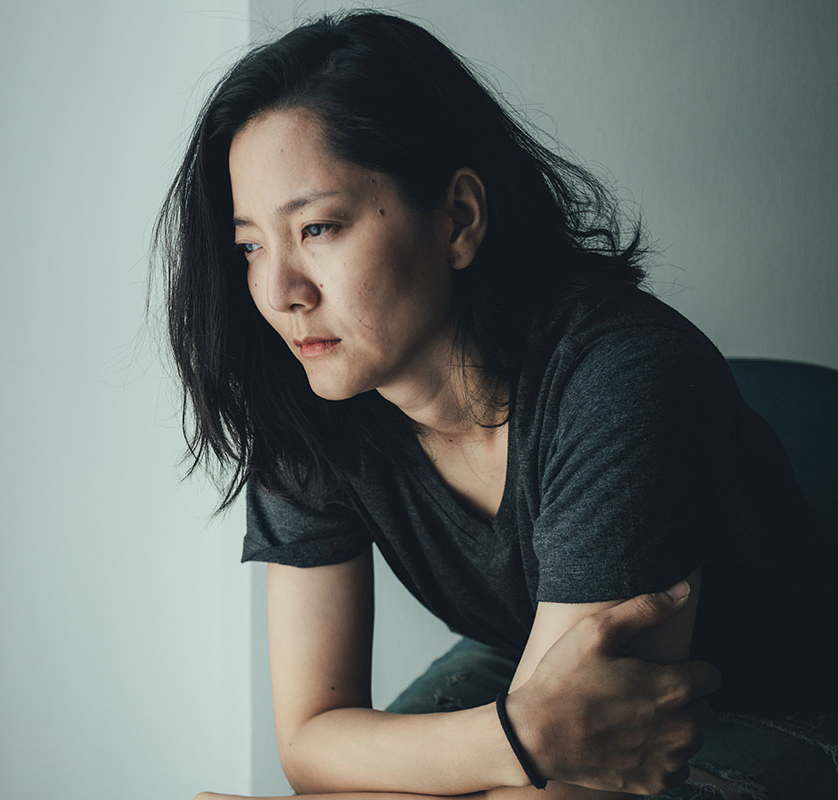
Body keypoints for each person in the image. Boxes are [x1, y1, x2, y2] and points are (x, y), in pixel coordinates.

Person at [152, 10, 838, 799]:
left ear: (459, 219)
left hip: (783, 715)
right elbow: (311, 744)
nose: (280, 293)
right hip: (522, 675)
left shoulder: (623, 380)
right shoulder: (307, 398)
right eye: (251, 246)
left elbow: (576, 779)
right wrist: (516, 734)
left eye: (318, 227)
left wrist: (514, 742)